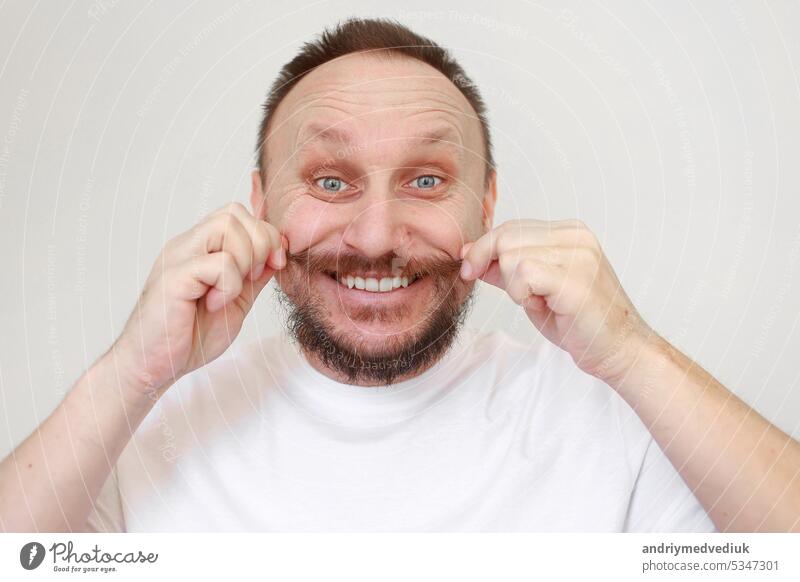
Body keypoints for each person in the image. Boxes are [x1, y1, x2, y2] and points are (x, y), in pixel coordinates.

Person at [1, 17, 798, 533]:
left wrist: (630, 350)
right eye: (330, 181)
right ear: (258, 203)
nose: (377, 237)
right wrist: (130, 373)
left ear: (486, 205)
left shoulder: (604, 419)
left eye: (425, 181)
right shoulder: (144, 426)